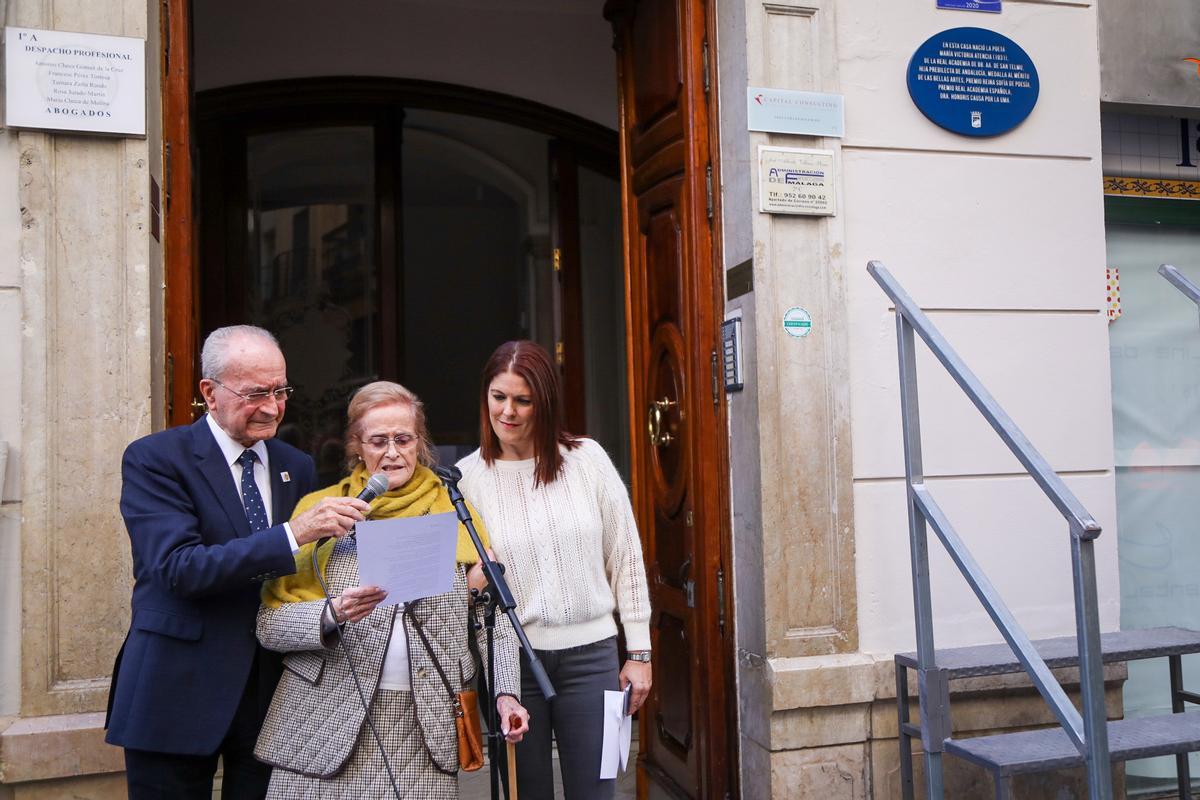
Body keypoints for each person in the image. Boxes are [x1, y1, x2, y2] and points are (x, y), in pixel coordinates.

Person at [106, 325, 370, 799]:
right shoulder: (155, 459)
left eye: (280, 390)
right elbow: (178, 568)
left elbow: (300, 578)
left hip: (270, 694)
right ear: (210, 392)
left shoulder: (297, 464)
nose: (271, 407)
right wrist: (294, 533)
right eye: (255, 394)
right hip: (177, 689)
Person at [254, 380, 531, 798]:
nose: (392, 451)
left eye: (403, 439)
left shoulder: (456, 510)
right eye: (378, 440)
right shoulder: (320, 513)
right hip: (323, 725)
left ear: (419, 443)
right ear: (356, 446)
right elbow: (269, 626)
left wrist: (506, 693)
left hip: (425, 728)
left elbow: (491, 620)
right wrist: (332, 613)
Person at [457, 340, 652, 799]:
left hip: (591, 657)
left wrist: (639, 652)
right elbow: (461, 585)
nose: (508, 412)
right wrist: (467, 585)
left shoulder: (587, 460)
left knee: (597, 792)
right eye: (498, 397)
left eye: (522, 400)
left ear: (545, 401)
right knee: (527, 794)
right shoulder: (466, 479)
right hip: (512, 666)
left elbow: (625, 555)